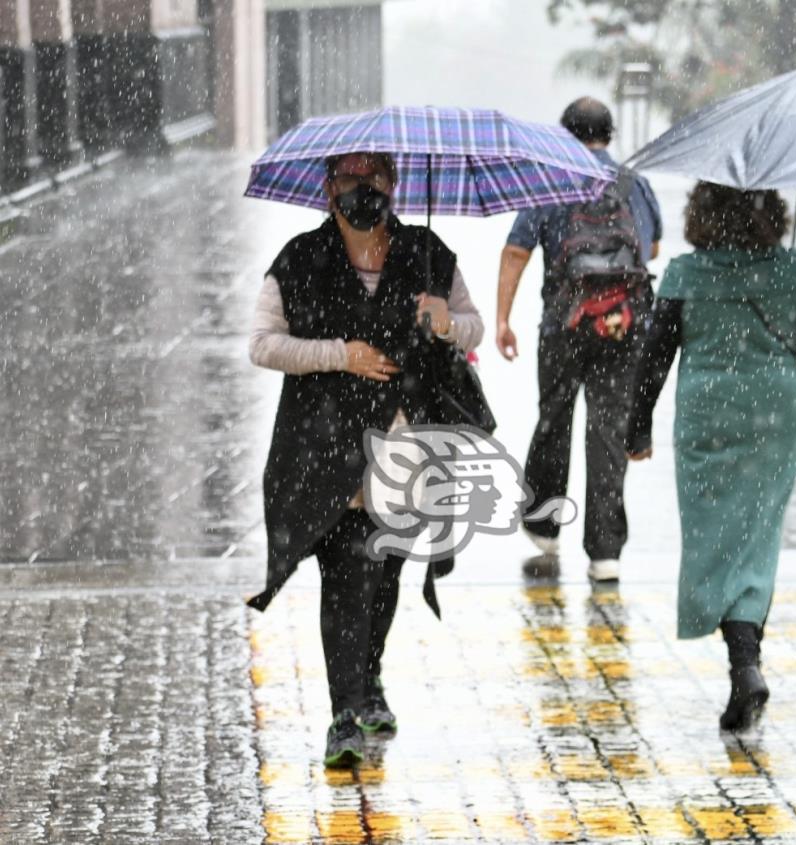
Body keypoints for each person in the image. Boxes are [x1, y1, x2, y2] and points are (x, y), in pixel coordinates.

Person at [246, 152, 483, 767]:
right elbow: (263, 345)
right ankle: (343, 714)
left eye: (374, 179)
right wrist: (339, 354)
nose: (363, 191)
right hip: (327, 449)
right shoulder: (300, 260)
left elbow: (473, 326)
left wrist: (447, 325)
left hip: (406, 447)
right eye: (351, 180)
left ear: (393, 185)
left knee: (385, 575)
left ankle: (369, 680)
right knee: (345, 577)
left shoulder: (427, 254)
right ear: (329, 189)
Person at [626, 182, 796, 731]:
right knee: (756, 539)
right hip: (778, 418)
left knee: (715, 542)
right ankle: (747, 663)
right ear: (772, 211)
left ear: (700, 215)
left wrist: (636, 428)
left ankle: (743, 666)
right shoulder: (794, 269)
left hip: (710, 421)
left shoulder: (683, 274)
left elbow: (654, 359)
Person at [495, 97, 662, 582]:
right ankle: (605, 551)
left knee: (555, 418)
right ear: (608, 134)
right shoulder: (634, 184)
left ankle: (545, 526)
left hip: (562, 326)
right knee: (607, 430)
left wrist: (504, 318)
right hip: (623, 326)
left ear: (564, 135)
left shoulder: (550, 180)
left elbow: (514, 251)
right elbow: (650, 247)